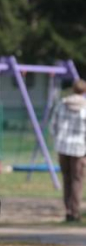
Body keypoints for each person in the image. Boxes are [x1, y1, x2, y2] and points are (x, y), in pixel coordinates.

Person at [49, 79, 86, 223]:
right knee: (77, 180)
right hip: (79, 148)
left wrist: (58, 139)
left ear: (72, 89)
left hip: (63, 147)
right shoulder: (84, 107)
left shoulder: (62, 104)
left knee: (66, 179)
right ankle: (75, 211)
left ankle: (67, 210)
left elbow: (53, 126)